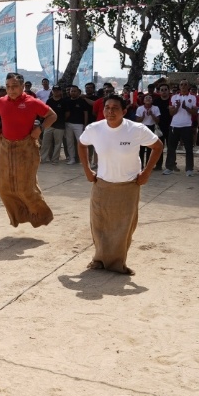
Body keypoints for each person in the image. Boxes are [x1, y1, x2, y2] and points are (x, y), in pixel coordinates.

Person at [77, 95, 163, 276]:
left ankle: (117, 263)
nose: (110, 111)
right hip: (102, 184)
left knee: (123, 227)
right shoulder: (95, 129)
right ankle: (99, 260)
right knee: (99, 224)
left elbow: (158, 146)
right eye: (107, 107)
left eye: (115, 108)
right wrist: (87, 170)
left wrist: (146, 173)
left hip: (128, 186)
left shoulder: (136, 129)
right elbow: (82, 144)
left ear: (124, 111)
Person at [0, 72, 57, 228]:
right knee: (3, 187)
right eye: (7, 87)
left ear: (22, 86)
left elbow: (52, 116)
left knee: (26, 187)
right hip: (4, 147)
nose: (11, 90)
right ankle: (18, 216)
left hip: (25, 147)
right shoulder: (1, 102)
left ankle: (41, 216)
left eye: (14, 86)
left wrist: (40, 128)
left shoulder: (32, 102)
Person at [164, 80, 197, 176]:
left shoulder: (193, 98)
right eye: (181, 84)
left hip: (187, 125)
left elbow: (194, 113)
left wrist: (186, 107)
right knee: (171, 147)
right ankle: (169, 167)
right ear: (179, 86)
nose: (183, 86)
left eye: (185, 84)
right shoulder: (174, 97)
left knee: (189, 148)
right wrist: (177, 107)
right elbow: (171, 113)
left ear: (188, 86)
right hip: (175, 125)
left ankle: (189, 169)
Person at [40, 85, 68, 164]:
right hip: (49, 125)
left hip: (60, 126)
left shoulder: (64, 101)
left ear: (60, 91)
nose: (56, 91)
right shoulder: (49, 101)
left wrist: (61, 120)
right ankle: (43, 158)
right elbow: (46, 112)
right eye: (54, 90)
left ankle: (55, 160)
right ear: (52, 91)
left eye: (57, 90)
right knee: (45, 143)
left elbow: (67, 114)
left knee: (57, 144)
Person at [134, 92, 162, 170]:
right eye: (146, 98)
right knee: (141, 148)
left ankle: (148, 166)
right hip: (142, 128)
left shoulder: (155, 108)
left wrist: (152, 114)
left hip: (152, 127)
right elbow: (137, 120)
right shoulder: (140, 108)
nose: (148, 99)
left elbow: (157, 121)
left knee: (150, 148)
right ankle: (141, 165)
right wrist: (142, 117)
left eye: (150, 98)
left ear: (152, 100)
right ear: (143, 101)